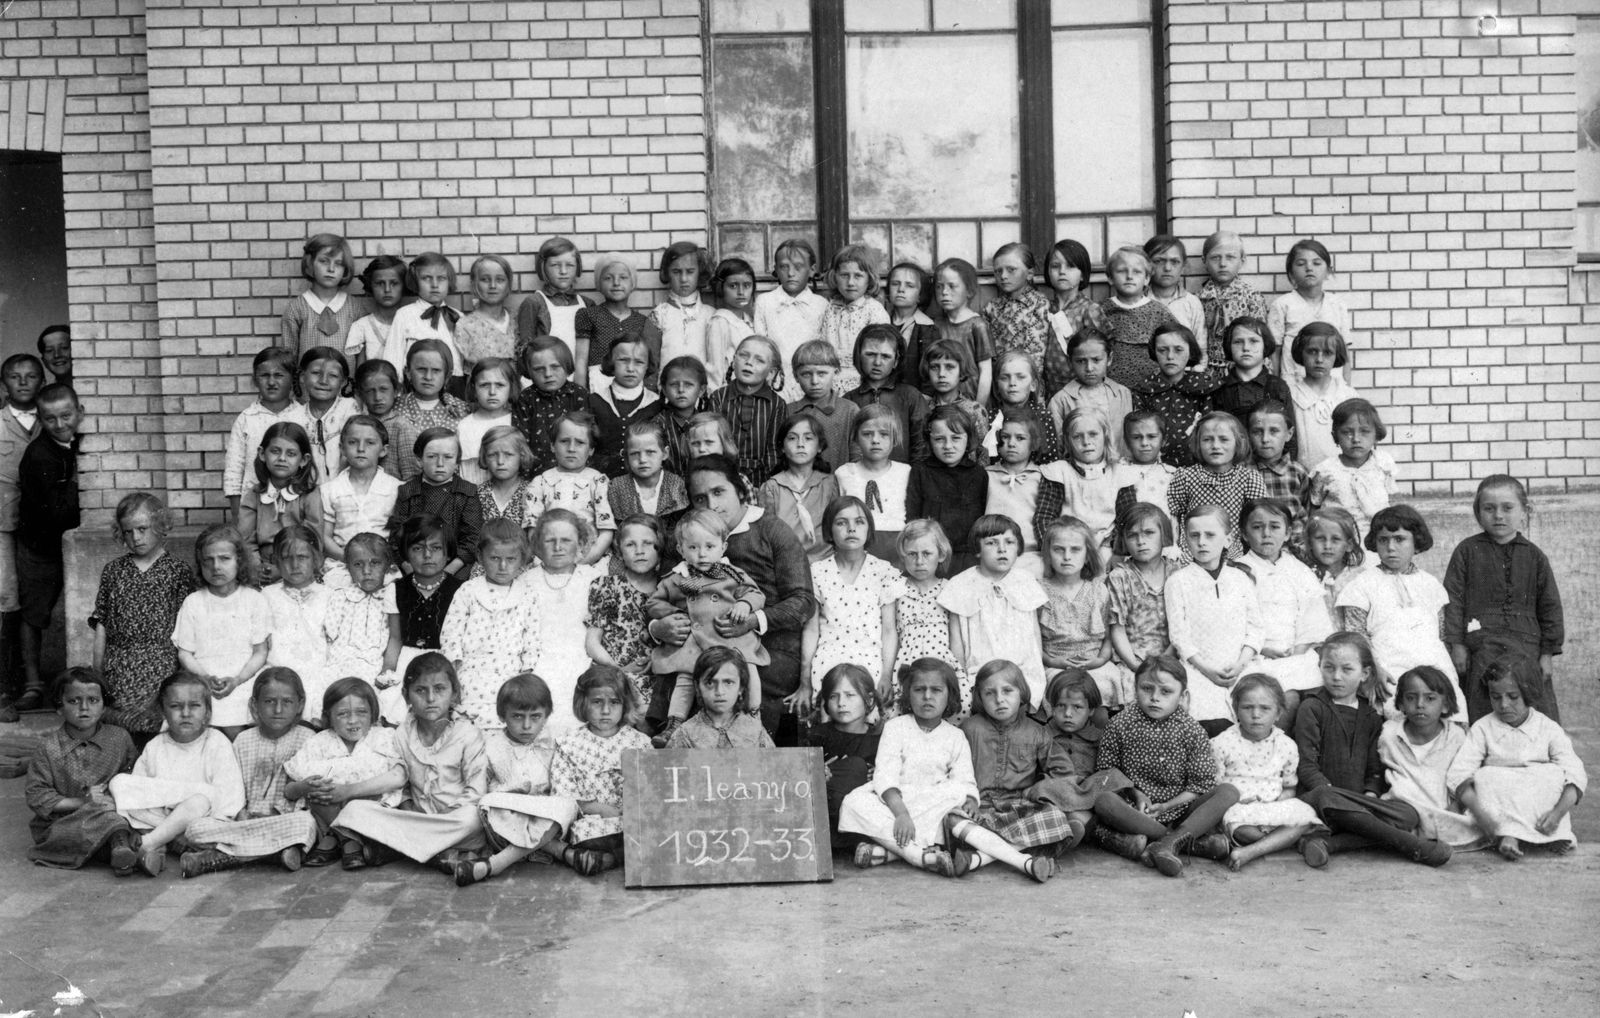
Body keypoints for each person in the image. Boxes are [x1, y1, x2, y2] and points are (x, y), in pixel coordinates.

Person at [659, 455, 816, 738]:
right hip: (698, 641)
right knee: (674, 677)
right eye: (699, 499)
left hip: (766, 646)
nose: (711, 505)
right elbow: (668, 592)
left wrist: (754, 620)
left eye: (719, 492)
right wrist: (658, 627)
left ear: (740, 489)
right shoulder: (686, 537)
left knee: (733, 682)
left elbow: (802, 601)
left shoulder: (772, 530)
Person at [1293, 632, 1452, 868]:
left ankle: (1326, 844)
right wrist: (1340, 800)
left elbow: (1374, 769)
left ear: (1365, 673)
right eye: (1329, 668)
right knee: (1325, 795)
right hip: (1323, 801)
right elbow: (1307, 765)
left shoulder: (1370, 716)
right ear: (1320, 667)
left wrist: (1369, 796)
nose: (1336, 677)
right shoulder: (1312, 707)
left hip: (1357, 809)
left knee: (1408, 814)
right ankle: (1412, 845)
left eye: (1347, 669)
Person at [334, 654, 489, 874]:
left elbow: (476, 791)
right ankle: (435, 854)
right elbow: (403, 789)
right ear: (406, 695)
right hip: (415, 819)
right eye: (420, 690)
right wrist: (412, 817)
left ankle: (403, 849)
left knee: (473, 818)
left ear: (454, 693)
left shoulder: (468, 734)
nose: (431, 698)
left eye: (440, 689)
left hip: (456, 823)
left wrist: (444, 821)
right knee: (354, 810)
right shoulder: (401, 735)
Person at [1090, 656, 1238, 875]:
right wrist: (1136, 794)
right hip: (1136, 811)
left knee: (1228, 791)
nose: (1154, 698)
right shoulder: (1120, 724)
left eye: (1166, 692)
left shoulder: (1192, 730)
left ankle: (1167, 842)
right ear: (1135, 688)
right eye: (1147, 689)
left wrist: (1168, 806)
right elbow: (1107, 771)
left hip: (1183, 811)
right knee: (1104, 800)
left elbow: (1200, 786)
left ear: (1183, 696)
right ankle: (1179, 842)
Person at [837, 658, 981, 874]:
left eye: (936, 690)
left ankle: (896, 853)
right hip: (897, 802)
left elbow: (964, 778)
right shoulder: (895, 727)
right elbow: (885, 775)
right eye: (919, 689)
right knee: (853, 802)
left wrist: (971, 800)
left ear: (949, 695)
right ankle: (919, 854)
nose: (927, 697)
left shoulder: (956, 736)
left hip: (932, 802)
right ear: (908, 693)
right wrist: (901, 814)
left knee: (956, 794)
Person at [176, 669, 319, 878]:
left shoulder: (308, 739)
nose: (278, 709)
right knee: (195, 829)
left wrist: (275, 814)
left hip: (283, 820)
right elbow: (232, 787)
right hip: (244, 821)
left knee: (305, 825)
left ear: (300, 705)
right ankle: (274, 853)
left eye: (287, 702)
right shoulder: (243, 741)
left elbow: (304, 795)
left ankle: (218, 857)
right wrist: (241, 814)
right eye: (269, 701)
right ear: (254, 705)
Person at [1444, 474, 1564, 723]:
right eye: (1489, 508)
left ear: (1524, 511)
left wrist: (1547, 653)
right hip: (1481, 644)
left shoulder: (1535, 556)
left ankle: (1537, 755)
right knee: (1483, 699)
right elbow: (1453, 600)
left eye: (1507, 508)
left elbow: (1550, 607)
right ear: (1478, 512)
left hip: (1526, 645)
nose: (1498, 515)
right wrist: (1457, 644)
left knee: (1531, 701)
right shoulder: (1467, 551)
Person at [1448, 652, 1586, 860]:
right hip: (1499, 798)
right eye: (1496, 697)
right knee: (1485, 777)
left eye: (1513, 697)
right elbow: (1459, 772)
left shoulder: (1548, 728)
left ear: (1529, 693)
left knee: (1553, 774)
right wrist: (1479, 812)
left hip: (1534, 798)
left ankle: (1537, 832)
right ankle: (1516, 836)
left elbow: (1575, 773)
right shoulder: (1483, 728)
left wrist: (1557, 813)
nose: (1503, 705)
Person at [647, 510, 767, 745]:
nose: (702, 554)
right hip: (697, 639)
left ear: (723, 547)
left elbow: (755, 593)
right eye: (693, 548)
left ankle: (754, 714)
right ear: (681, 550)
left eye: (710, 546)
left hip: (730, 637)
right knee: (686, 674)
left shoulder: (732, 574)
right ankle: (675, 723)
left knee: (749, 668)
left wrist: (744, 603)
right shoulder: (678, 578)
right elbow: (653, 602)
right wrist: (673, 613)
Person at [949, 661, 1075, 881]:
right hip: (979, 809)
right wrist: (967, 801)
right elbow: (952, 770)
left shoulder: (1037, 732)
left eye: (1008, 691)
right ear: (979, 697)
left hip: (1019, 811)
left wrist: (1039, 789)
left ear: (1022, 693)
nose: (999, 699)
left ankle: (977, 858)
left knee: (1054, 815)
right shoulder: (969, 729)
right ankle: (1026, 856)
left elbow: (1063, 770)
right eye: (990, 693)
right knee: (951, 818)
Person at [108, 673, 242, 877]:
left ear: (207, 712)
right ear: (163, 711)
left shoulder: (217, 742)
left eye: (195, 706)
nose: (185, 713)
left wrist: (196, 811)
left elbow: (229, 797)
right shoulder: (155, 746)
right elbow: (141, 791)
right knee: (118, 783)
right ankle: (167, 839)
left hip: (200, 818)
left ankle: (150, 844)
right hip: (159, 817)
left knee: (199, 801)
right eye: (176, 706)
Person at [1335, 504, 1463, 715]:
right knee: (1400, 713)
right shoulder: (1362, 584)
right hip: (1388, 666)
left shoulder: (1431, 584)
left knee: (1451, 714)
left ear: (1416, 543)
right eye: (1383, 540)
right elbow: (1356, 636)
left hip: (1433, 663)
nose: (1391, 547)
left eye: (1400, 539)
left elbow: (1441, 635)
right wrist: (1375, 670)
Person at [91, 493, 196, 745]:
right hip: (119, 662)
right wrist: (97, 671)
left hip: (161, 663)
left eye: (142, 529)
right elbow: (102, 623)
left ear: (160, 526)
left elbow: (188, 625)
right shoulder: (114, 571)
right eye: (128, 532)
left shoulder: (177, 570)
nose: (135, 538)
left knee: (153, 731)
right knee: (118, 728)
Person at [460, 673, 580, 886]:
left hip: (547, 816)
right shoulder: (491, 746)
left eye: (535, 717)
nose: (527, 725)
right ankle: (559, 850)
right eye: (517, 716)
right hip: (509, 819)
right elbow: (480, 786)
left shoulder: (557, 739)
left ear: (546, 715)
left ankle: (496, 864)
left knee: (567, 804)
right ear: (502, 715)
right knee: (488, 802)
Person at [24, 667, 138, 871]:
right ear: (59, 707)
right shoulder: (48, 748)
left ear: (104, 707)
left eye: (93, 701)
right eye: (74, 701)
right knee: (102, 818)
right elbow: (37, 795)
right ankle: (122, 846)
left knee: (117, 814)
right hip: (66, 822)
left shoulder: (119, 738)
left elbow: (134, 776)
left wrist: (113, 794)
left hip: (115, 810)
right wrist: (82, 801)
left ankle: (119, 853)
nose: (84, 708)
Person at [1164, 505, 1263, 735]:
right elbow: (1179, 635)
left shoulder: (1240, 578)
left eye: (1210, 535)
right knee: (1212, 723)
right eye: (1194, 535)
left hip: (1242, 666)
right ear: (1185, 539)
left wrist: (1240, 665)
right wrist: (1206, 670)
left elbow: (1256, 628)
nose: (1202, 542)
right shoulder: (1178, 582)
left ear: (1228, 539)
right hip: (1200, 670)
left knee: (1256, 711)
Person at [285, 679, 403, 869]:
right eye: (342, 714)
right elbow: (289, 791)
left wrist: (348, 791)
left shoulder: (383, 737)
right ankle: (348, 839)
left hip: (371, 813)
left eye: (362, 712)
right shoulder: (319, 742)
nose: (353, 720)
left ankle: (337, 838)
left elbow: (398, 778)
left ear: (373, 712)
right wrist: (303, 787)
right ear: (329, 717)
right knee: (316, 792)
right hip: (327, 813)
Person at [1209, 674, 1322, 870]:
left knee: (1306, 814)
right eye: (1247, 707)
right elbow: (1213, 788)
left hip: (1272, 808)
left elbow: (1289, 787)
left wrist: (1277, 805)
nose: (1255, 715)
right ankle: (1282, 841)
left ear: (1278, 713)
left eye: (1265, 708)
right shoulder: (1222, 743)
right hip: (1238, 809)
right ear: (1236, 710)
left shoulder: (1286, 746)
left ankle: (1250, 852)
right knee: (1245, 831)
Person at [15, 382, 82, 711]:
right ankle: (32, 685)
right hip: (40, 546)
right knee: (34, 614)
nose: (60, 424)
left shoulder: (82, 442)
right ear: (41, 420)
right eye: (50, 419)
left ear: (79, 413)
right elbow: (58, 513)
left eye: (66, 415)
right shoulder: (39, 455)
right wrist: (77, 481)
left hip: (68, 543)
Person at [550, 664, 653, 875]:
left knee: (650, 830)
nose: (605, 711)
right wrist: (594, 807)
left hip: (632, 819)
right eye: (597, 702)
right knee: (588, 834)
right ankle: (614, 856)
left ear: (625, 705)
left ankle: (610, 859)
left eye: (614, 703)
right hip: (592, 823)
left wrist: (632, 796)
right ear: (583, 703)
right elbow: (562, 793)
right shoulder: (570, 744)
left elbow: (653, 789)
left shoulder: (639, 743)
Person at [172, 524, 271, 736]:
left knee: (239, 724)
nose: (216, 566)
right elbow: (185, 653)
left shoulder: (253, 599)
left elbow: (260, 652)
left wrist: (237, 680)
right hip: (204, 678)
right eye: (208, 560)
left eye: (224, 559)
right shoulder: (194, 602)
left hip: (244, 677)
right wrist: (205, 678)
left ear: (239, 561)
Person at [440, 519, 539, 730]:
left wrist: (526, 674)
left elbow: (532, 638)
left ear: (522, 559)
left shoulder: (527, 594)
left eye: (511, 559)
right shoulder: (468, 590)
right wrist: (454, 674)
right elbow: (451, 633)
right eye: (494, 558)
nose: (503, 567)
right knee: (466, 722)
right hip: (471, 670)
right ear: (480, 557)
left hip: (510, 671)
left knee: (508, 716)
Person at [802, 496, 902, 706]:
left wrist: (886, 675)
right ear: (829, 530)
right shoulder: (817, 572)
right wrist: (804, 682)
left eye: (859, 522)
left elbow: (889, 630)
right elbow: (811, 630)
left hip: (870, 659)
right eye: (841, 522)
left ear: (869, 528)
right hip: (828, 658)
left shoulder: (883, 571)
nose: (851, 529)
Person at [940, 514, 1048, 705]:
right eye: (991, 543)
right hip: (978, 675)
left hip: (1022, 673)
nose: (1002, 549)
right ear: (978, 549)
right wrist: (961, 678)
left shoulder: (1025, 581)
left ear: (1019, 548)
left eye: (1009, 542)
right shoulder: (961, 584)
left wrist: (1036, 670)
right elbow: (956, 640)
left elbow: (1034, 635)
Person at [1377, 666, 1485, 849]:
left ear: (1445, 705)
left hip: (1442, 811)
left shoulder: (1457, 736)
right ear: (1401, 704)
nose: (1420, 704)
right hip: (1402, 809)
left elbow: (1465, 776)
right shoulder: (1389, 733)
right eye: (1411, 698)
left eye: (1430, 698)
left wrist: (1457, 804)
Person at [523, 509, 605, 736]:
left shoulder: (593, 579)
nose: (558, 547)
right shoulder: (526, 581)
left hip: (582, 662)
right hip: (539, 664)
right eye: (550, 540)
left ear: (580, 543)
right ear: (538, 545)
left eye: (566, 540)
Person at [1037, 516, 1120, 704]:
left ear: (1088, 554)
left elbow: (1108, 637)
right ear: (1048, 554)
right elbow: (1032, 639)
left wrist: (1099, 660)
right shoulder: (1038, 590)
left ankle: (1099, 731)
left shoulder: (1098, 590)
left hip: (1094, 664)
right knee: (1060, 689)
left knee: (1106, 683)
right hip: (1054, 664)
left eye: (1075, 549)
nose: (1067, 556)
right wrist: (1051, 661)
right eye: (1059, 549)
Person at [0, 354, 42, 717]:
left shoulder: (51, 417)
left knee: (34, 599)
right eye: (15, 377)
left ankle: (35, 683)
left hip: (43, 526)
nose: (23, 382)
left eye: (31, 376)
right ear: (4, 385)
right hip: (4, 524)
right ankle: (6, 685)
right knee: (6, 599)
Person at [1166, 411, 1268, 560]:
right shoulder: (1186, 476)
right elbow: (1173, 516)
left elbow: (1258, 519)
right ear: (1198, 443)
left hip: (1232, 556)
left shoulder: (1249, 479)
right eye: (1207, 439)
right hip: (1191, 555)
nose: (1215, 446)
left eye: (1224, 439)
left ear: (1237, 443)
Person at [386, 428, 482, 576]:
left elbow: (472, 539)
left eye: (448, 457)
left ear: (457, 462)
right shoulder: (408, 492)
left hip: (455, 567)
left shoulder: (467, 492)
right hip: (413, 566)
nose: (440, 463)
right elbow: (396, 538)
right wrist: (411, 570)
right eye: (431, 456)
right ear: (419, 460)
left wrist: (447, 573)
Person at [261, 525, 333, 720]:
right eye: (286, 558)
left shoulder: (329, 595)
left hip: (316, 670)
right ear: (276, 561)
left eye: (302, 557)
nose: (294, 565)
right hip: (279, 670)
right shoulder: (267, 595)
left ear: (316, 559)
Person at [318, 415, 400, 586]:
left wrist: (381, 562)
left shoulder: (396, 488)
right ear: (342, 448)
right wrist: (350, 560)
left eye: (370, 443)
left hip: (386, 568)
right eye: (353, 442)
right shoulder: (329, 490)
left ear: (383, 450)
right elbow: (325, 537)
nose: (361, 448)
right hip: (342, 566)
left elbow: (400, 536)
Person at [906, 404, 987, 576]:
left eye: (956, 438)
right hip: (931, 556)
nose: (948, 446)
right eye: (939, 439)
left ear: (968, 439)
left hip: (968, 557)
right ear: (929, 440)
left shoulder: (978, 474)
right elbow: (913, 517)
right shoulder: (920, 472)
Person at [527, 411, 616, 565]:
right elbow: (533, 531)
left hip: (590, 560)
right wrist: (548, 561)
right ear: (552, 445)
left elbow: (606, 532)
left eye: (580, 443)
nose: (571, 448)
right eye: (564, 441)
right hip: (548, 559)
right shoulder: (541, 483)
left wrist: (583, 563)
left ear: (591, 449)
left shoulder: (598, 482)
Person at [808, 663, 882, 845]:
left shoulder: (881, 738)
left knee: (858, 770)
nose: (841, 703)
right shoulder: (817, 735)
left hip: (864, 814)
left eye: (850, 695)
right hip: (826, 811)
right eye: (834, 696)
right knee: (854, 767)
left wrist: (879, 774)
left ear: (869, 700)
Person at [224, 346, 298, 521]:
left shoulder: (302, 416)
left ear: (293, 379)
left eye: (279, 375)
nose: (271, 382)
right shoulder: (246, 419)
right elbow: (234, 469)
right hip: (254, 506)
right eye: (265, 376)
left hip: (295, 504)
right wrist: (237, 513)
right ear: (255, 380)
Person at [238, 422, 322, 577]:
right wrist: (257, 567)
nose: (282, 458)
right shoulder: (255, 494)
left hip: (298, 567)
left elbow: (313, 539)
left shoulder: (310, 494)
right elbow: (246, 539)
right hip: (261, 568)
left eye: (291, 454)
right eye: (275, 451)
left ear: (303, 460)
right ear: (262, 454)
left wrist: (283, 569)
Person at [1130, 322, 1218, 469]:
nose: (1170, 356)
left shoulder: (1204, 386)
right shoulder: (1145, 388)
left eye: (1178, 350)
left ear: (1190, 352)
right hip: (1155, 467)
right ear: (1154, 352)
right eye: (1162, 350)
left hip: (1198, 467)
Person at [1306, 398, 1396, 541]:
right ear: (1336, 436)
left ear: (1376, 435)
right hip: (1337, 539)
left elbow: (1390, 501)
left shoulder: (1383, 463)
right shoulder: (1326, 470)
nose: (1355, 439)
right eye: (1347, 432)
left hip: (1376, 538)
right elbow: (1315, 509)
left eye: (1364, 432)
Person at [834, 405, 912, 564]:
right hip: (855, 548)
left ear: (895, 438)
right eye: (867, 434)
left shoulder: (906, 473)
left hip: (897, 549)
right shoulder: (844, 474)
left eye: (884, 434)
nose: (875, 440)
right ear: (855, 437)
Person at [1267, 238, 1355, 381]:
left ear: (1328, 271)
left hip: (1332, 384)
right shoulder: (1282, 305)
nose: (1309, 268)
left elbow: (1344, 353)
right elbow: (1274, 353)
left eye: (1317, 263)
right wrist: (1276, 389)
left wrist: (1347, 388)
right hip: (1294, 382)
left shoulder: (1337, 305)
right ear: (1291, 274)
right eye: (1301, 264)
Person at [754, 238, 828, 402]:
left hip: (810, 383)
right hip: (775, 383)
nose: (791, 273)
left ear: (812, 269)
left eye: (798, 267)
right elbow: (760, 346)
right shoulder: (765, 302)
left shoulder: (821, 305)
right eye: (784, 267)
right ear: (776, 269)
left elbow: (823, 349)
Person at [382, 252, 466, 394]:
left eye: (441, 278)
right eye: (426, 278)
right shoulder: (405, 315)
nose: (434, 285)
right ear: (415, 282)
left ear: (449, 281)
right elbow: (393, 358)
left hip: (455, 387)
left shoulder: (457, 316)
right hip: (416, 388)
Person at [845, 323, 929, 466]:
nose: (877, 362)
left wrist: (914, 478)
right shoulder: (849, 400)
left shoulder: (910, 396)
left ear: (896, 361)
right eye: (870, 354)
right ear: (859, 356)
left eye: (885, 356)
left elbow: (921, 446)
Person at [760, 413, 839, 562]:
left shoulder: (829, 484)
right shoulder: (772, 487)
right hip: (785, 562)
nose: (800, 444)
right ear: (782, 447)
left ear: (820, 447)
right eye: (792, 438)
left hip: (825, 562)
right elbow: (765, 535)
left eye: (808, 438)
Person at [1047, 329, 1134, 462]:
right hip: (1079, 473)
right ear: (1070, 362)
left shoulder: (1123, 394)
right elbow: (1058, 446)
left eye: (1096, 360)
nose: (1089, 368)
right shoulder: (1061, 400)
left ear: (1109, 359)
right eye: (1081, 361)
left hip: (1120, 471)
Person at [1284, 322, 1360, 471]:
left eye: (1327, 353)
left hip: (1342, 475)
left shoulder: (1346, 394)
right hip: (1304, 475)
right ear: (1301, 353)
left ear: (1336, 355)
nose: (1319, 359)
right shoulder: (1291, 395)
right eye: (1312, 351)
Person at [279, 234, 371, 357]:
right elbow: (288, 356)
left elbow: (363, 355)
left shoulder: (355, 309)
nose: (331, 269)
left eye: (338, 263)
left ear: (345, 269)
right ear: (310, 263)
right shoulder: (296, 309)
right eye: (324, 261)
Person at [712, 334, 788, 481]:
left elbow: (774, 450)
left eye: (759, 360)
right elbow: (714, 444)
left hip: (762, 479)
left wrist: (770, 486)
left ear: (771, 372)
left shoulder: (776, 404)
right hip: (724, 476)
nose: (749, 363)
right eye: (743, 356)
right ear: (734, 361)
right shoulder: (719, 397)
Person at [665, 646, 775, 748]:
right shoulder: (685, 735)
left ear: (741, 687)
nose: (719, 692)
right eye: (710, 683)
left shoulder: (755, 731)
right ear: (697, 687)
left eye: (728, 682)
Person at [1098, 246, 1177, 387]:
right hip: (1112, 389)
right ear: (1110, 278)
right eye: (1122, 271)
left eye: (1137, 272)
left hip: (1152, 388)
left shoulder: (1159, 312)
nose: (1129, 276)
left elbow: (1176, 345)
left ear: (1147, 278)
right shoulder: (1102, 311)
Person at [511, 335, 588, 477]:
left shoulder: (579, 395)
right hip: (538, 473)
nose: (548, 374)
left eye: (555, 367)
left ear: (566, 365)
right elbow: (521, 439)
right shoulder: (527, 398)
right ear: (529, 371)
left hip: (577, 472)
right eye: (539, 369)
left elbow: (588, 436)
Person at [573, 252, 651, 391]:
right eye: (608, 278)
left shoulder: (641, 321)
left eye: (623, 278)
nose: (616, 283)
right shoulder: (589, 315)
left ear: (632, 283)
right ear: (599, 284)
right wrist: (580, 395)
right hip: (598, 384)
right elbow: (581, 361)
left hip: (631, 384)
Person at [283, 346, 362, 483]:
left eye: (333, 375)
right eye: (316, 373)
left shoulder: (348, 408)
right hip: (305, 494)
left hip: (343, 491)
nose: (323, 381)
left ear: (343, 382)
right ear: (302, 377)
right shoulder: (293, 416)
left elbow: (351, 454)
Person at [587, 336, 660, 479]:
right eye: (623, 360)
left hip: (642, 477)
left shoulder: (655, 404)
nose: (631, 368)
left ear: (647, 367)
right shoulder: (594, 400)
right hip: (600, 476)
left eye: (639, 362)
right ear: (611, 363)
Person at [820, 245, 890, 393]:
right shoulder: (830, 308)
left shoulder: (874, 311)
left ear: (869, 279)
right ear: (835, 276)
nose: (850, 282)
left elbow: (879, 355)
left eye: (858, 276)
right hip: (830, 383)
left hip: (861, 384)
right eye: (844, 275)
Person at [1043, 238, 1107, 398]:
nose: (1062, 271)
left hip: (1080, 390)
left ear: (1083, 275)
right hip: (1048, 388)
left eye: (1070, 266)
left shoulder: (1089, 309)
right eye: (1055, 266)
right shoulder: (1044, 308)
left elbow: (1102, 352)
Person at [786, 339, 859, 474]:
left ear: (836, 373)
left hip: (839, 487)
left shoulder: (849, 410)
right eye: (806, 374)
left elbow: (858, 457)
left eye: (822, 374)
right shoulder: (788, 411)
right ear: (796, 376)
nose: (814, 381)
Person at [1197, 231, 1266, 368]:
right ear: (1204, 261)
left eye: (1230, 257)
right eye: (1215, 258)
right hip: (1207, 371)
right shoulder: (1198, 299)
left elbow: (1260, 340)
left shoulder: (1251, 297)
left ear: (1242, 261)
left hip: (1242, 370)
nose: (1222, 264)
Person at [931, 257, 995, 402]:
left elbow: (985, 371)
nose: (944, 292)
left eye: (952, 286)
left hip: (972, 401)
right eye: (939, 286)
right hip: (943, 403)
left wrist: (980, 408)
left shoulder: (977, 325)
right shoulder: (935, 325)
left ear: (969, 291)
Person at [984, 243, 1053, 371]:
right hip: (999, 378)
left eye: (1011, 270)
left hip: (1027, 378)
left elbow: (1036, 352)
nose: (1003, 276)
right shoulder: (993, 307)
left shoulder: (1039, 304)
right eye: (998, 271)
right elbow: (986, 350)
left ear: (1030, 274)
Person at [516, 237, 588, 358]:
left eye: (570, 265)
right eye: (555, 265)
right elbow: (525, 347)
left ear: (578, 267)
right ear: (543, 267)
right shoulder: (534, 302)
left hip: (580, 374)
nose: (563, 271)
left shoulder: (587, 303)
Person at [648, 241, 715, 369]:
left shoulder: (711, 315)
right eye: (677, 272)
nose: (683, 279)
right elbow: (651, 365)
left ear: (699, 273)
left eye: (690, 272)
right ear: (667, 273)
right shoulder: (659, 315)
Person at [456, 357, 518, 486]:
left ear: (511, 387)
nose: (492, 392)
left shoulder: (515, 421)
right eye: (484, 385)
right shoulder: (465, 425)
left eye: (500, 385)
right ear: (474, 388)